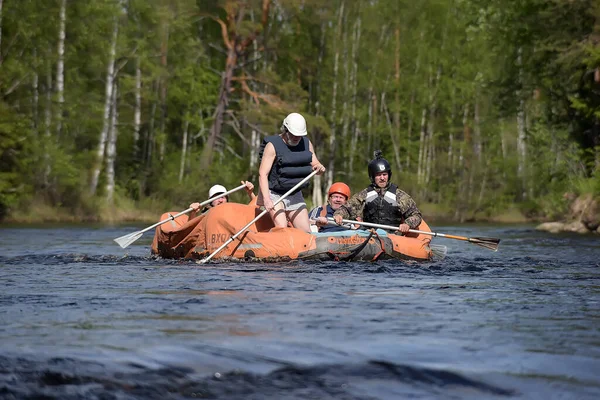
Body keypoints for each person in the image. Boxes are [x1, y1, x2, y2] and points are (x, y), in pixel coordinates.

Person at [257, 112, 326, 233]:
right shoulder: (272, 146)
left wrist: (320, 168)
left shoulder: (306, 143)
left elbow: (315, 164)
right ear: (286, 130)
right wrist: (267, 199)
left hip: (294, 193)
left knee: (306, 231)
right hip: (274, 194)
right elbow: (263, 174)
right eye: (294, 135)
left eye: (299, 136)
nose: (297, 138)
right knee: (282, 228)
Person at [333, 150, 422, 234]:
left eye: (384, 174)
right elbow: (346, 209)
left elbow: (416, 215)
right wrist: (339, 215)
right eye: (379, 175)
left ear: (389, 175)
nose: (382, 178)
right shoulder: (364, 194)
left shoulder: (400, 196)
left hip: (393, 235)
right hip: (369, 234)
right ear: (372, 177)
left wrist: (407, 224)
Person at [188, 181, 255, 219]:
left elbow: (255, 210)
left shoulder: (233, 213)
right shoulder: (205, 216)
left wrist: (250, 193)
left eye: (223, 197)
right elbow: (190, 232)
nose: (220, 200)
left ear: (227, 200)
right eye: (217, 197)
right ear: (211, 201)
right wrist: (192, 213)